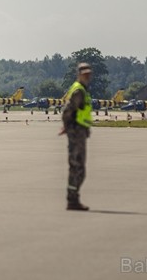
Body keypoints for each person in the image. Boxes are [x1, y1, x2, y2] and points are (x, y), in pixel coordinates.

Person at [59, 62, 94, 211]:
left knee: (79, 168)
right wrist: (68, 127)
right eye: (84, 73)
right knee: (77, 167)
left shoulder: (83, 90)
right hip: (76, 133)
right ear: (79, 74)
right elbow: (68, 110)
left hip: (80, 131)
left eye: (88, 73)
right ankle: (72, 199)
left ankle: (73, 197)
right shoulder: (78, 90)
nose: (87, 76)